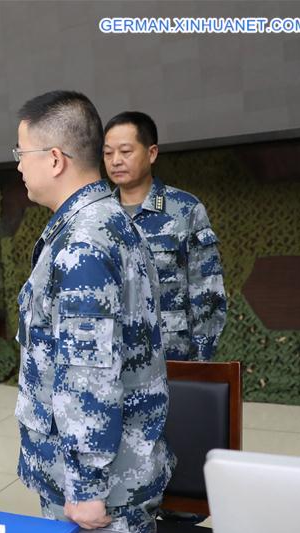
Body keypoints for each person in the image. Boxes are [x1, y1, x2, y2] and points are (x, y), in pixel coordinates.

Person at [12, 91, 175, 533]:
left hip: (99, 493)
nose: (19, 165)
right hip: (118, 471)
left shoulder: (82, 244)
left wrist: (85, 488)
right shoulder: (109, 221)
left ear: (55, 159)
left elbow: (89, 372)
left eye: (22, 153)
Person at [103, 111, 226, 361]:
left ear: (152, 153)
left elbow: (208, 295)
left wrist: (200, 364)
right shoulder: (99, 215)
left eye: (125, 151)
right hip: (114, 365)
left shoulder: (185, 210)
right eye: (107, 153)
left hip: (172, 361)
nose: (115, 161)